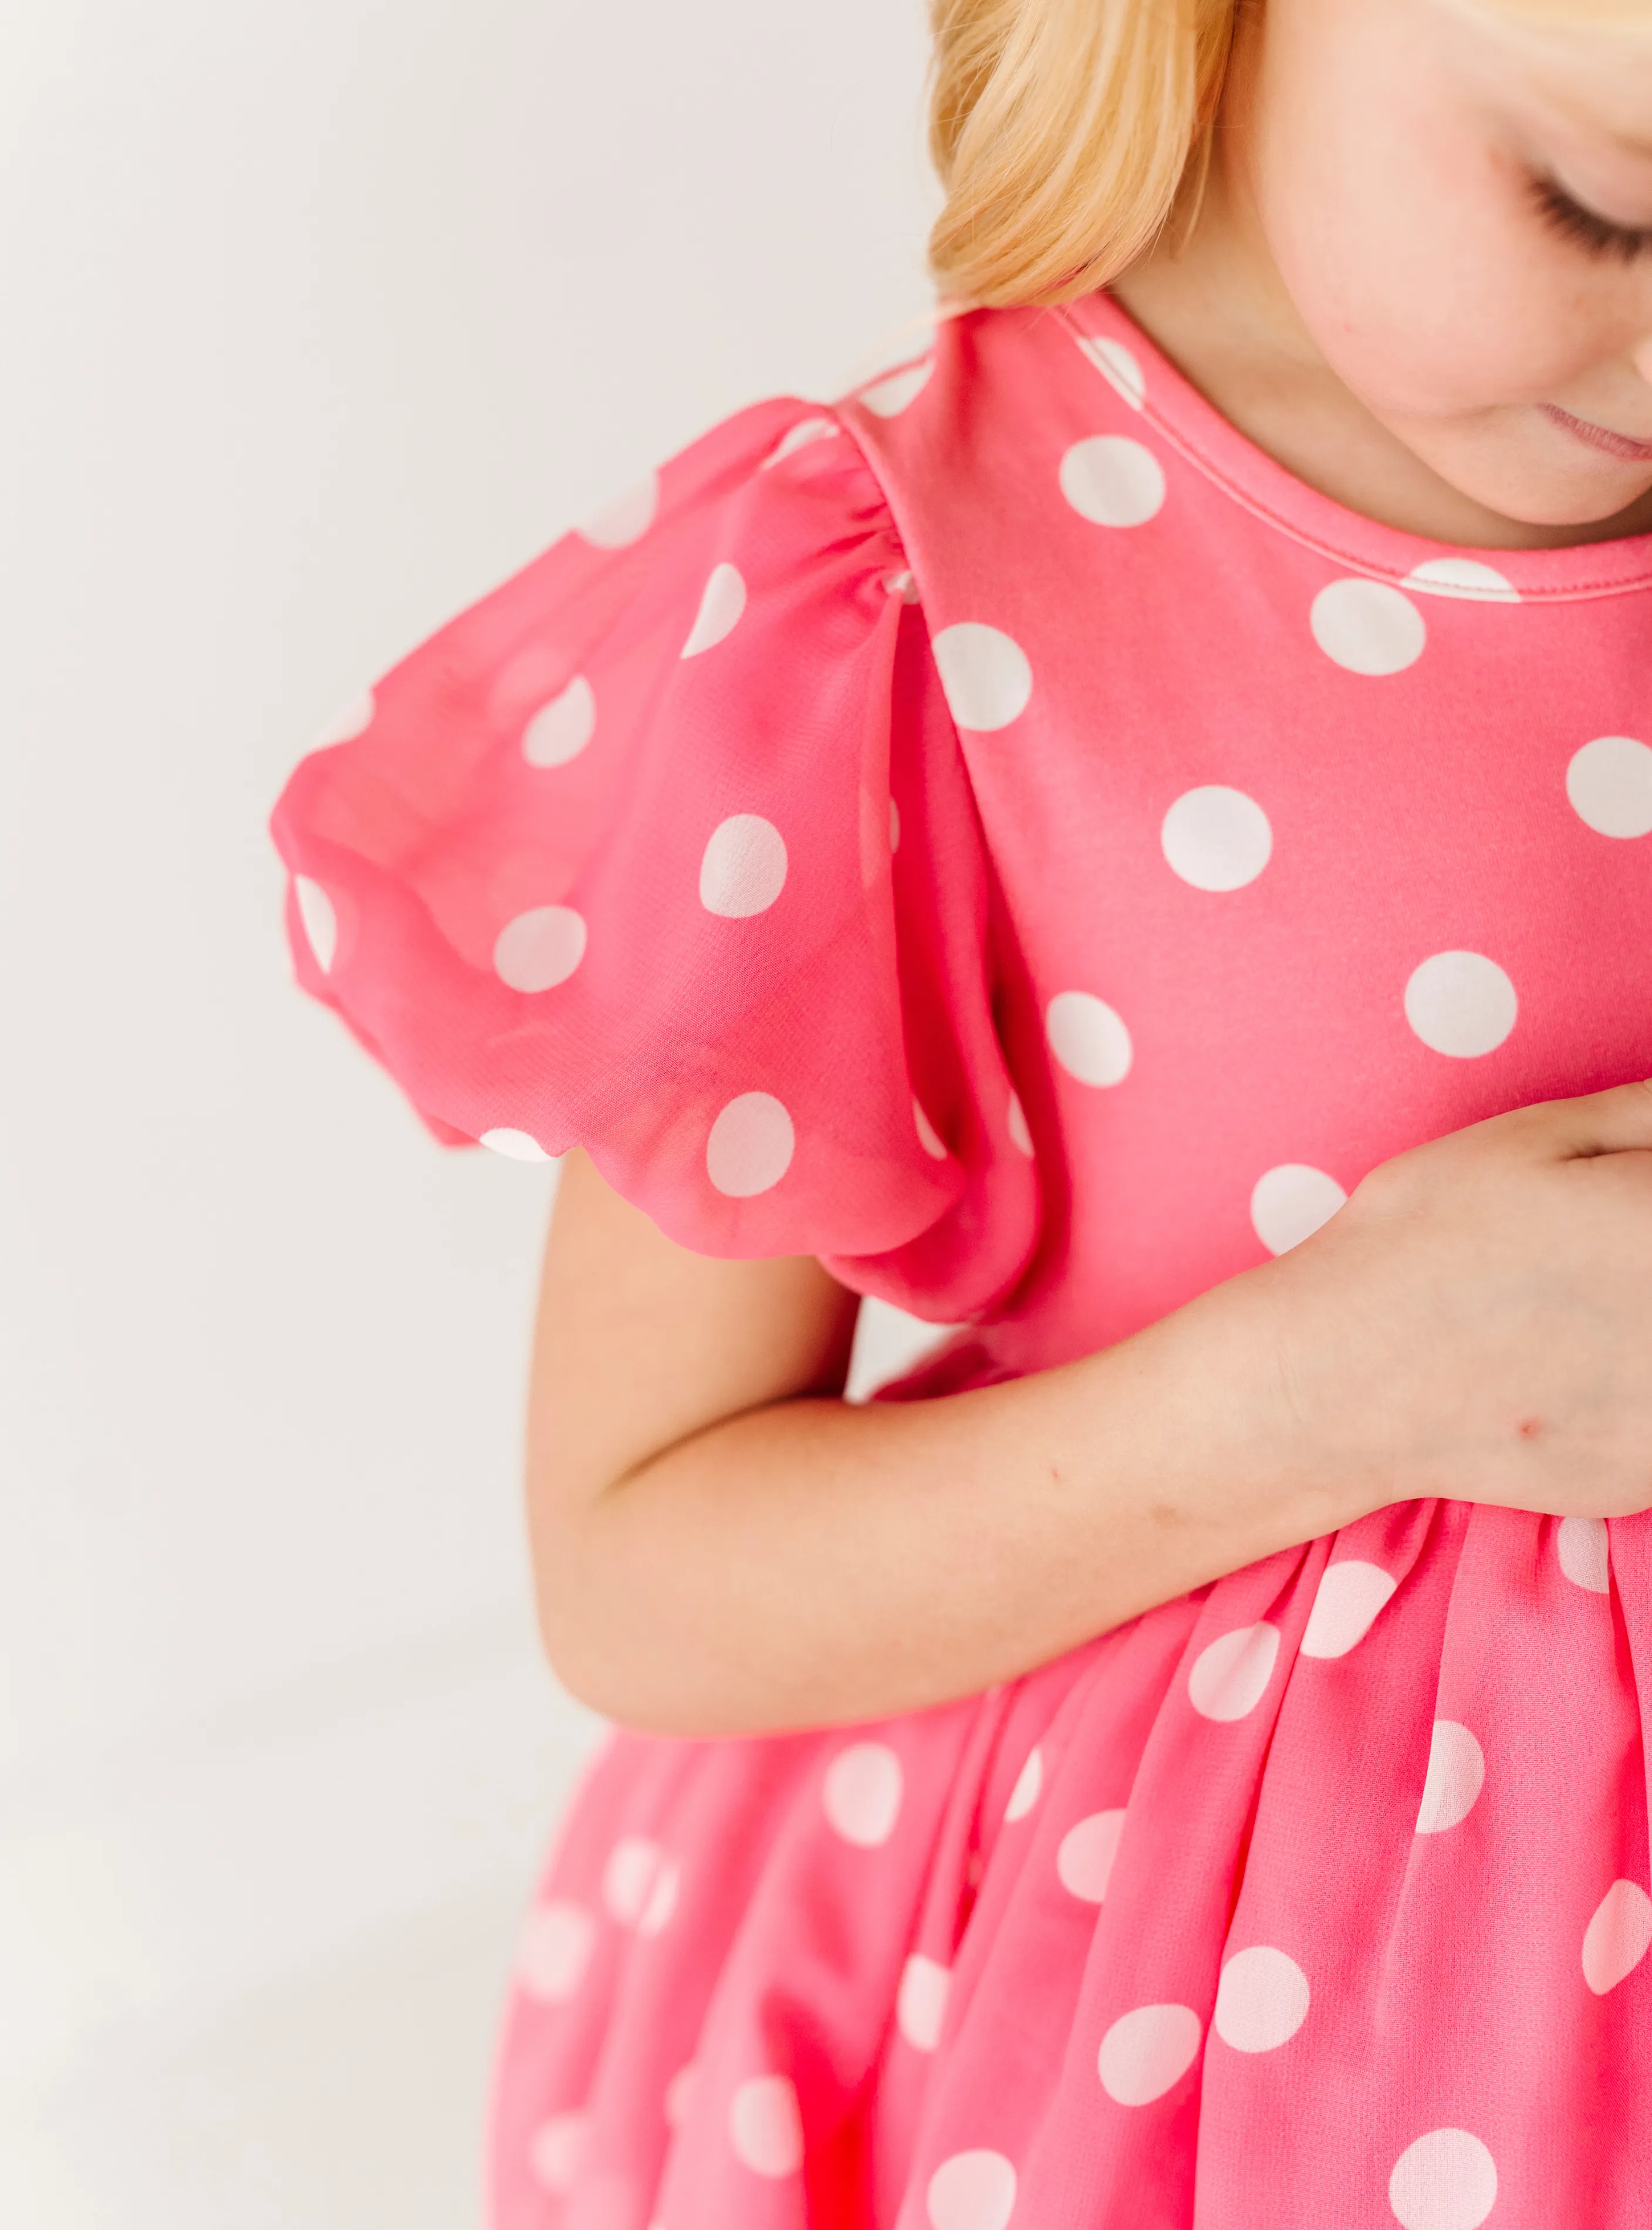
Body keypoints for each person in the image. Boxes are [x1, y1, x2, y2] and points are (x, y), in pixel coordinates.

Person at [271, 0, 1652, 2221]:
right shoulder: (891, 601)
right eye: (1604, 205)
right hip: (1179, 2069)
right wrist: (1330, 1394)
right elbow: (640, 1574)